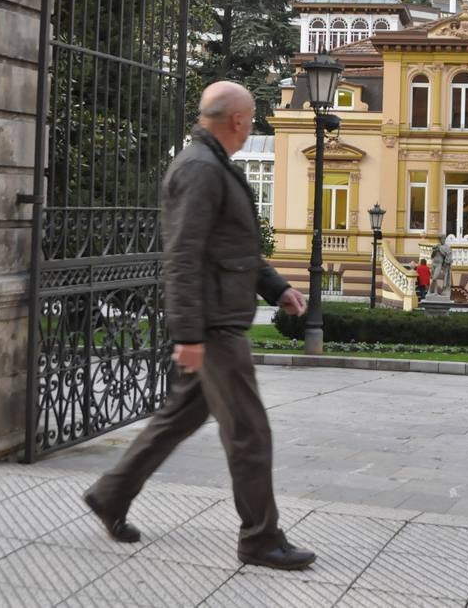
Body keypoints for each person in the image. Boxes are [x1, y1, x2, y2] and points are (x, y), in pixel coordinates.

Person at [82, 81, 316, 571]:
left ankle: (111, 493)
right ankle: (260, 539)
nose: (253, 127)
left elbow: (232, 249)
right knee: (250, 433)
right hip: (213, 329)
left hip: (215, 321)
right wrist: (188, 335)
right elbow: (183, 257)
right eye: (251, 119)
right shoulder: (199, 169)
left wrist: (277, 289)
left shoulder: (211, 165)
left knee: (178, 418)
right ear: (236, 121)